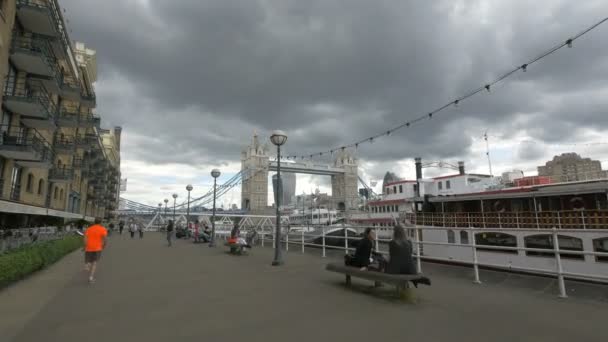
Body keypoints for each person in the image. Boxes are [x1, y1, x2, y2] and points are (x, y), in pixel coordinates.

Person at [83, 218, 108, 283]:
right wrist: (104, 246)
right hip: (97, 248)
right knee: (94, 263)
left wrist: (84, 246)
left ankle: (87, 265)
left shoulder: (88, 229)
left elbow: (85, 239)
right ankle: (91, 277)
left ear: (94, 222)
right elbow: (105, 239)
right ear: (100, 222)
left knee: (88, 260)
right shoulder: (103, 229)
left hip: (89, 248)